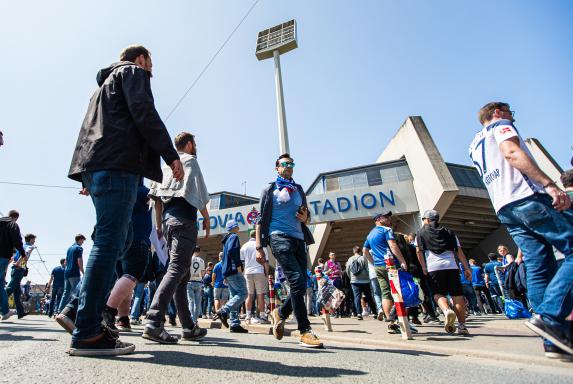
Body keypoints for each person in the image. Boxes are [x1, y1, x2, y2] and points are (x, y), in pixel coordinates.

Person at [67, 44, 183, 356]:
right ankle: (87, 331)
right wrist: (171, 156)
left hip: (96, 167)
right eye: (151, 64)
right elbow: (145, 113)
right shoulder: (132, 72)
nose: (152, 71)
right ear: (141, 58)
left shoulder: (102, 87)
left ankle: (79, 313)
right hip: (117, 166)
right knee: (110, 243)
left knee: (119, 240)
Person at [470, 102, 573, 358]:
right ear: (497, 113)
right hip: (526, 197)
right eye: (509, 113)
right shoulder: (500, 126)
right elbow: (512, 153)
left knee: (539, 262)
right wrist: (549, 184)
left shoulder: (474, 145)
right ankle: (551, 317)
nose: (512, 118)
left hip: (504, 207)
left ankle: (553, 338)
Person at [144, 132, 210, 344]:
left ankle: (189, 327)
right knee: (176, 270)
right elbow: (198, 193)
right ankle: (154, 320)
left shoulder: (165, 165)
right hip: (184, 221)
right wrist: (206, 218)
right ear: (190, 144)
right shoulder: (190, 161)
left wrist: (158, 225)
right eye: (195, 143)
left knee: (182, 275)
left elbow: (156, 198)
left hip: (167, 222)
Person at [256, 153, 323, 348]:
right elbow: (260, 220)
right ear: (277, 168)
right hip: (278, 237)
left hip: (298, 239)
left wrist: (305, 218)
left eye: (292, 164)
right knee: (297, 281)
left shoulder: (299, 189)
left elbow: (306, 216)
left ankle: (280, 312)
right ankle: (304, 330)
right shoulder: (269, 190)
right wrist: (260, 247)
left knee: (302, 284)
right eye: (285, 164)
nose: (289, 166)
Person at [416, 209, 472, 335]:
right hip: (452, 266)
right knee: (457, 296)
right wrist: (467, 268)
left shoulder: (420, 233)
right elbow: (459, 251)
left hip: (434, 267)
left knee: (437, 293)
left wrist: (424, 267)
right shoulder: (449, 232)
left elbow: (419, 251)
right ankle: (462, 326)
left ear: (427, 219)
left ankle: (446, 311)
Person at [362, 211, 408, 334]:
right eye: (386, 217)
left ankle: (391, 324)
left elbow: (365, 250)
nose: (388, 218)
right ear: (379, 219)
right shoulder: (386, 230)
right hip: (391, 265)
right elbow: (393, 246)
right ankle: (402, 322)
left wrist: (373, 262)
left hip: (379, 266)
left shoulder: (370, 234)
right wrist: (402, 260)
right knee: (399, 291)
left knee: (385, 293)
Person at [213, 220, 249, 333]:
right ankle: (224, 310)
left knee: (234, 295)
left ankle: (234, 323)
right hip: (234, 270)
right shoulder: (234, 236)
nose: (239, 227)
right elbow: (232, 250)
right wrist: (238, 265)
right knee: (243, 293)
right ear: (234, 227)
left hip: (227, 271)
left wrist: (225, 274)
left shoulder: (226, 239)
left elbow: (225, 256)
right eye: (237, 225)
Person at [0, 210, 26, 321]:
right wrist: (22, 252)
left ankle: (5, 311)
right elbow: (17, 239)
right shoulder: (13, 224)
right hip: (3, 256)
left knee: (1, 284)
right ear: (15, 217)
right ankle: (5, 311)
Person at [241, 229, 269, 324]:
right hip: (259, 271)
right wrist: (267, 273)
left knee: (249, 295)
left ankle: (248, 316)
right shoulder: (261, 246)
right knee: (260, 295)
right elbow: (266, 262)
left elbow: (242, 262)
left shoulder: (244, 247)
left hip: (248, 272)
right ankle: (262, 315)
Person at [6, 233, 36, 319]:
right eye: (33, 239)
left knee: (17, 293)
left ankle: (20, 312)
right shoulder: (30, 247)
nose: (34, 241)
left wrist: (11, 263)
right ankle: (2, 306)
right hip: (19, 269)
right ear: (30, 239)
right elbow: (25, 255)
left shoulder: (21, 246)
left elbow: (13, 257)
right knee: (10, 289)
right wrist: (18, 264)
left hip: (15, 269)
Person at [346, 245, 377, 320]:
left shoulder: (350, 259)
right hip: (365, 280)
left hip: (354, 281)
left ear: (353, 251)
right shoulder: (363, 258)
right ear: (360, 251)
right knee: (369, 296)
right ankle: (375, 312)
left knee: (357, 297)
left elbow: (347, 270)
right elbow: (367, 268)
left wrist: (351, 278)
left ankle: (359, 313)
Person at [58, 234, 85, 313]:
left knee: (66, 293)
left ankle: (59, 311)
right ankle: (72, 312)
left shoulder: (69, 248)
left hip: (67, 273)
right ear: (79, 239)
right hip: (74, 273)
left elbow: (66, 262)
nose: (83, 242)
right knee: (76, 292)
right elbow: (79, 261)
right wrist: (83, 272)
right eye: (82, 240)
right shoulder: (79, 248)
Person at [187, 246, 205, 323]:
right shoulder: (201, 260)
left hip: (190, 282)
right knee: (197, 303)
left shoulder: (189, 259)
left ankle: (191, 319)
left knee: (191, 301)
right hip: (198, 282)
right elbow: (203, 273)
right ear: (199, 251)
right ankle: (195, 320)